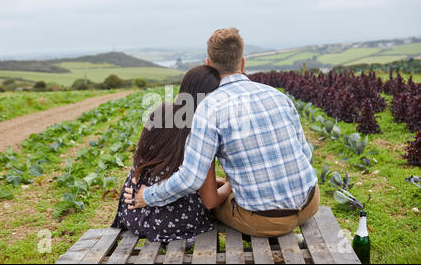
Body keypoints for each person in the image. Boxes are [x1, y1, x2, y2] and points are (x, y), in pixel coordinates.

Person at [124, 28, 319, 237]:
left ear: (209, 64)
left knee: (209, 202)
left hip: (266, 221)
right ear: (243, 63)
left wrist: (148, 196)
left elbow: (191, 179)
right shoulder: (279, 96)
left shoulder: (209, 108)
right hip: (310, 202)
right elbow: (306, 154)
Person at [111, 65, 232, 244]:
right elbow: (210, 200)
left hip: (133, 212)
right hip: (175, 223)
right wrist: (232, 186)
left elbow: (148, 164)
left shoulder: (161, 112)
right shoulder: (202, 129)